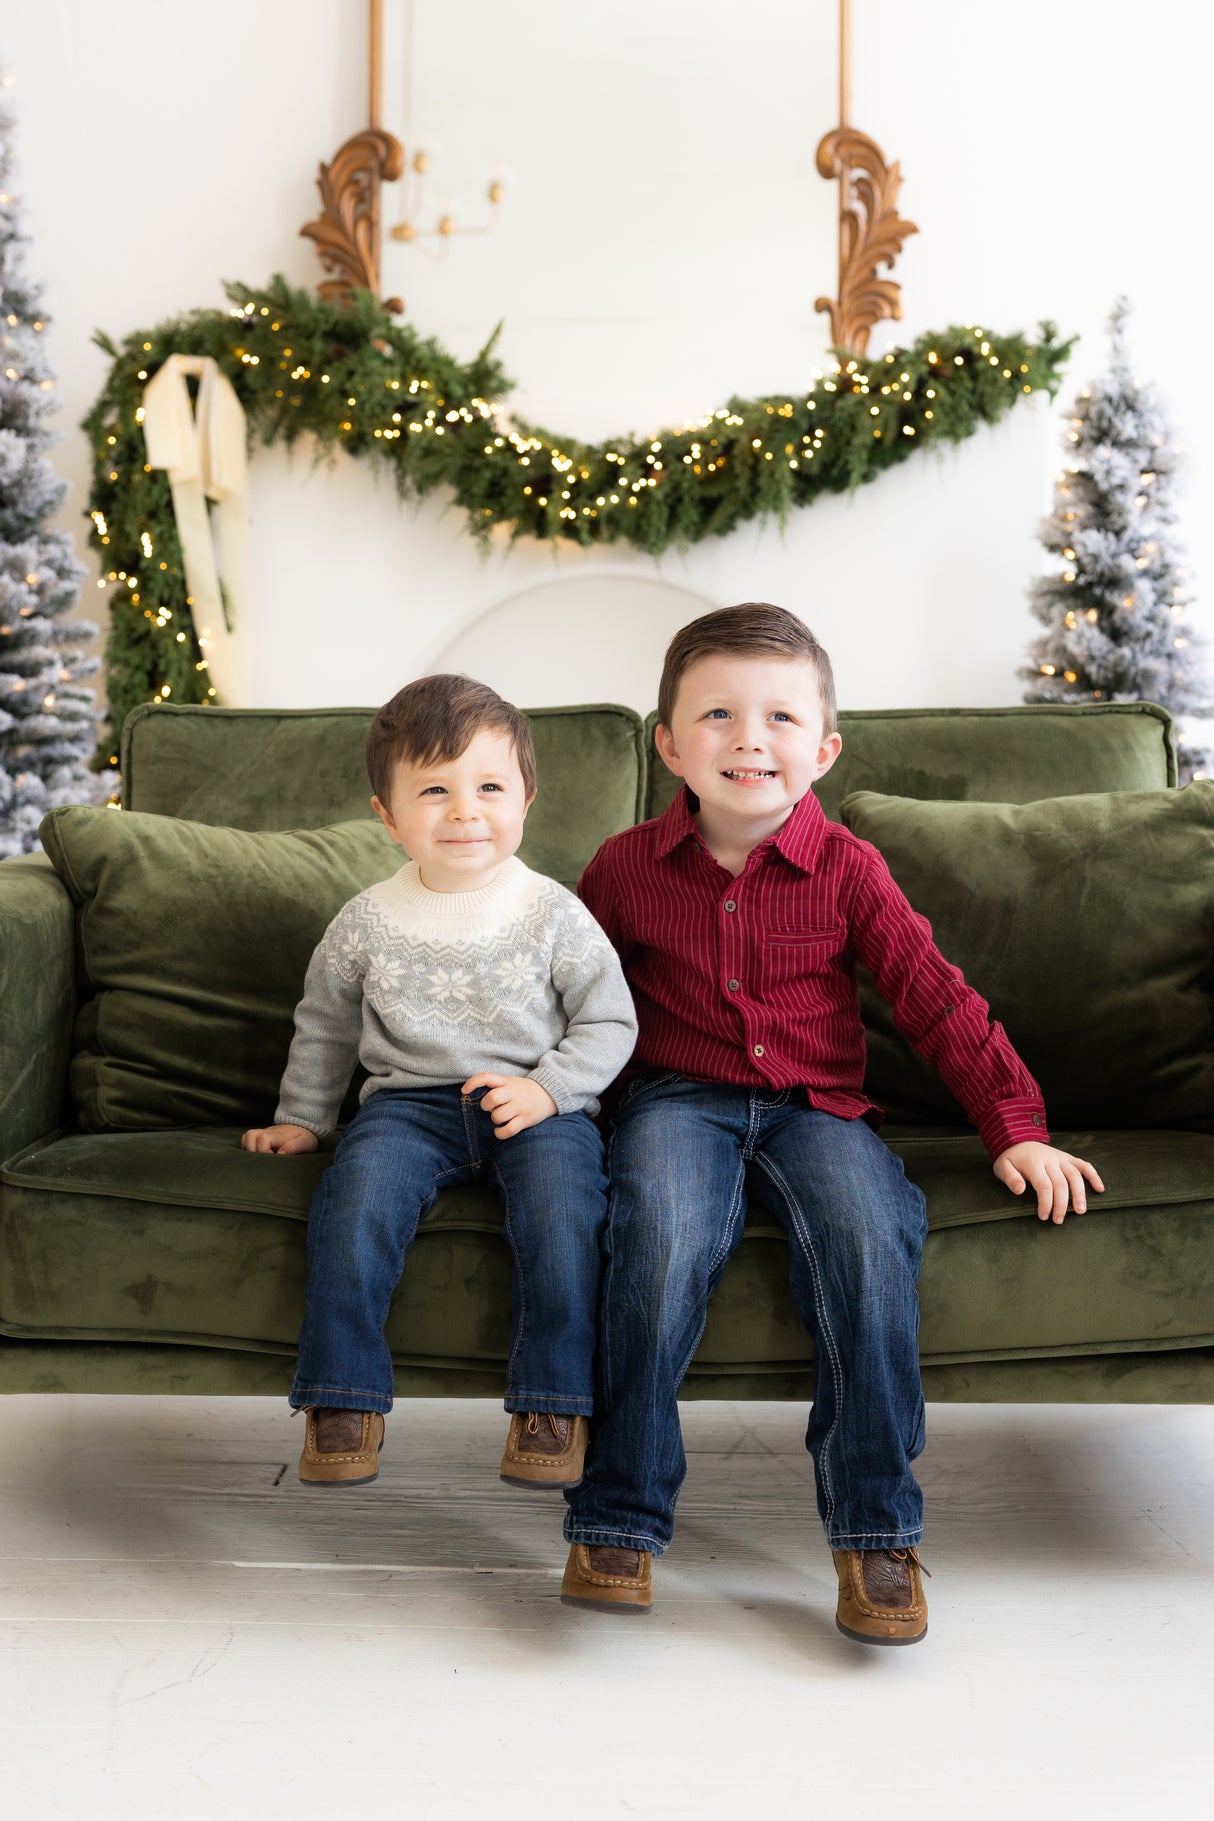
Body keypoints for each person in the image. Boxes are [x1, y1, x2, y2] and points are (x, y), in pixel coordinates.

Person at [559, 603, 1104, 1644]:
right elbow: (576, 1004)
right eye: (715, 715)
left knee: (866, 1240)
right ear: (668, 743)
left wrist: (1013, 1125)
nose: (747, 739)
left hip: (820, 1112)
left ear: (823, 747)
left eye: (776, 717)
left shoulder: (849, 868)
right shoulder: (623, 868)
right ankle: (618, 1518)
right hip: (675, 1101)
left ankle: (874, 1531)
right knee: (658, 1239)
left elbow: (934, 999)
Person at [242, 674, 637, 1494]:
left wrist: (550, 1089)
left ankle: (552, 1403)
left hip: (535, 1102)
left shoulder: (553, 911)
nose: (464, 811)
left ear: (527, 798)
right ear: (387, 816)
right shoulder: (366, 919)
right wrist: (303, 1119)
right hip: (408, 1107)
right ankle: (343, 1399)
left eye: (489, 786)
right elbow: (325, 1024)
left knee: (566, 1213)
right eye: (434, 790)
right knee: (353, 1205)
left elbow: (611, 1023)